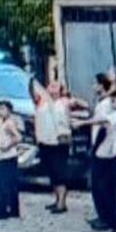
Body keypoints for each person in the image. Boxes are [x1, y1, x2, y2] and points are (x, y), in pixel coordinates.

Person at [83, 85, 116, 232]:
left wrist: (80, 122)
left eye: (115, 100)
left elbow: (101, 120)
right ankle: (114, 219)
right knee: (113, 190)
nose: (113, 103)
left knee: (115, 191)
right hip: (114, 154)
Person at [31, 76, 74, 214]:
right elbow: (32, 92)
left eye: (56, 87)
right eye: (51, 86)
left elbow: (81, 105)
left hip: (59, 142)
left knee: (59, 172)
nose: (53, 89)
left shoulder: (64, 102)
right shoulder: (41, 102)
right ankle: (57, 199)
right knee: (51, 172)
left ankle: (62, 202)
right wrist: (33, 82)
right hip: (45, 141)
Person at [0, 100, 24, 220]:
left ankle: (3, 211)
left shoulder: (9, 123)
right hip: (4, 156)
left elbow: (18, 137)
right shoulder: (1, 122)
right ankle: (13, 210)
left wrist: (8, 146)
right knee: (10, 184)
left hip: (7, 156)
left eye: (3, 109)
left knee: (4, 185)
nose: (0, 111)